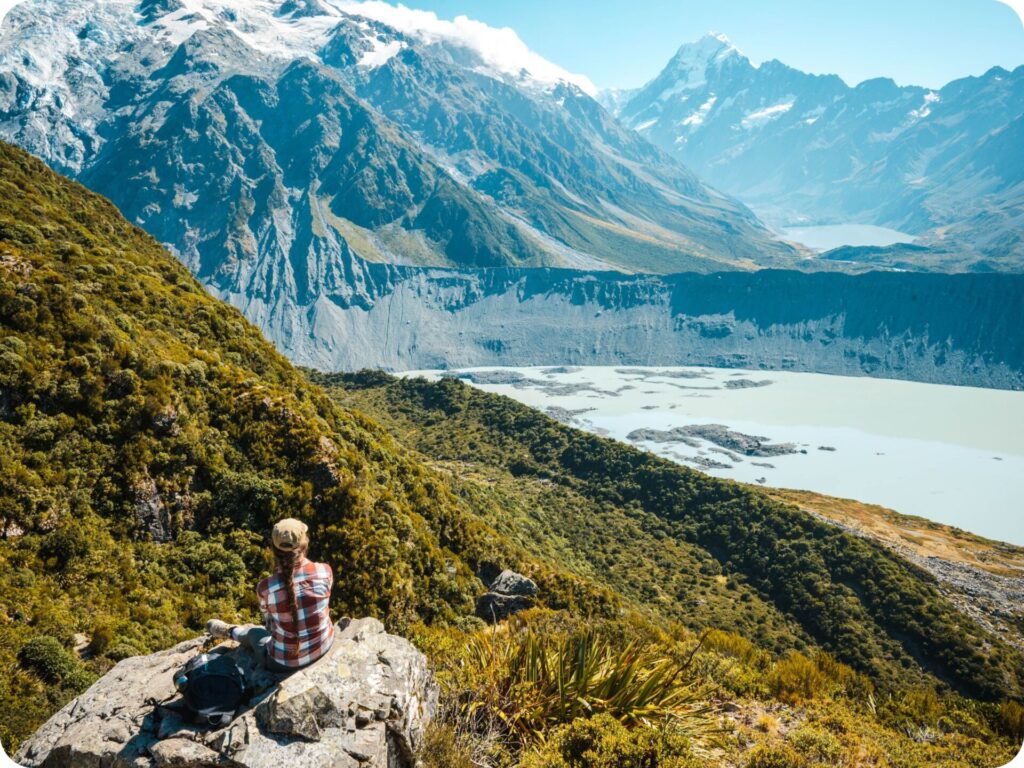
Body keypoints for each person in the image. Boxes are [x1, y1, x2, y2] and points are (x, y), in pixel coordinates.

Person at [206, 518, 335, 672]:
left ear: (273, 550)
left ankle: (230, 631)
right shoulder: (324, 571)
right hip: (324, 645)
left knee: (255, 634)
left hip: (283, 663)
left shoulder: (265, 588)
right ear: (304, 544)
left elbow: (268, 622)